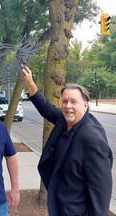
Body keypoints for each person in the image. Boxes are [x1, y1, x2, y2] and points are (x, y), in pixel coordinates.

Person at [21, 66, 113, 216]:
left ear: (85, 105)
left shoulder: (92, 140)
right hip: (59, 207)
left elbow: (101, 195)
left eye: (73, 102)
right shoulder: (63, 121)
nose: (68, 106)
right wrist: (30, 83)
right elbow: (46, 108)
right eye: (64, 101)